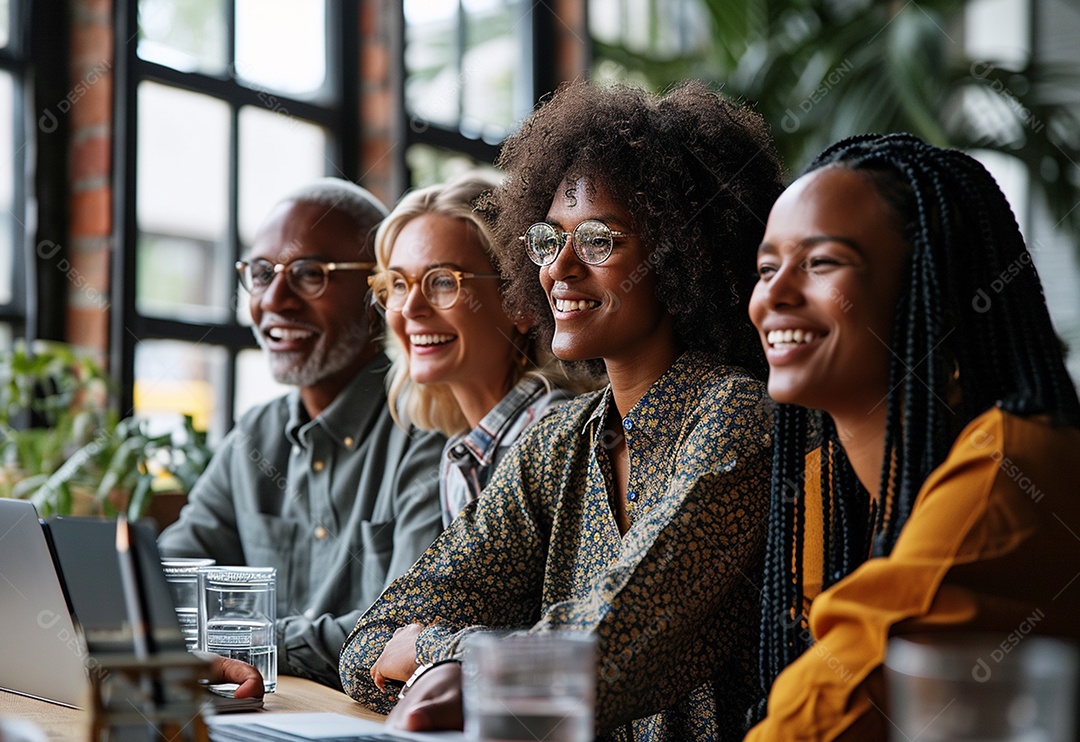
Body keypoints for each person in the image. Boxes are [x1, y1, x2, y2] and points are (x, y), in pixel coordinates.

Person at [339, 79, 785, 740]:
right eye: (549, 240)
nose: (560, 268)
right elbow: (371, 640)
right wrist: (465, 665)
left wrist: (439, 655)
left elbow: (599, 653)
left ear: (681, 254)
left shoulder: (737, 418)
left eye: (600, 241)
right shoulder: (561, 440)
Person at [745, 133, 1080, 739]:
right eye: (768, 267)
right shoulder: (824, 492)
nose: (776, 293)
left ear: (934, 296)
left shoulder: (1009, 472)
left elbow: (818, 719)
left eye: (821, 263)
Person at [159, 178, 446, 690]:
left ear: (380, 290)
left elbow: (403, 634)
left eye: (310, 274)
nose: (275, 300)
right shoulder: (256, 436)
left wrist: (235, 642)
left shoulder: (427, 429)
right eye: (262, 273)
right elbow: (167, 577)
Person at [368, 171, 574, 530]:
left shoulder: (553, 441)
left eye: (444, 281)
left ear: (519, 302)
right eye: (398, 284)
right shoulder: (467, 450)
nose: (411, 308)